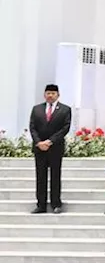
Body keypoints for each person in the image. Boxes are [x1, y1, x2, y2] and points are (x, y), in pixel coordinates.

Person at [29, 83, 71, 214]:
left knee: (55, 176)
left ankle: (56, 204)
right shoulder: (37, 109)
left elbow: (65, 128)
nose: (50, 96)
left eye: (53, 93)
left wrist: (50, 141)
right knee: (40, 176)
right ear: (44, 94)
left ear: (58, 95)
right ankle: (41, 204)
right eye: (48, 93)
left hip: (55, 148)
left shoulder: (65, 109)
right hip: (39, 148)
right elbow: (32, 127)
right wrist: (39, 142)